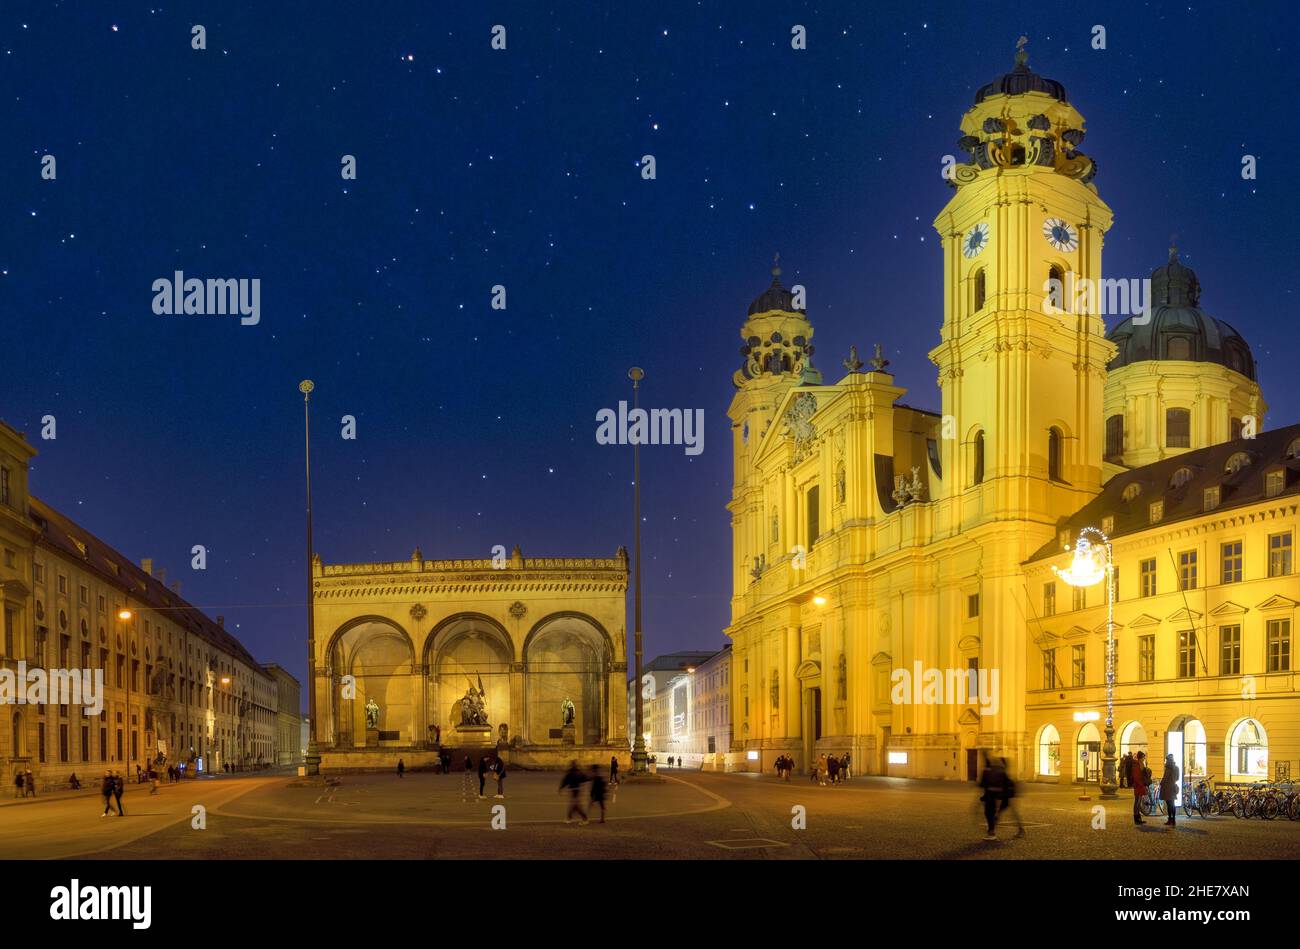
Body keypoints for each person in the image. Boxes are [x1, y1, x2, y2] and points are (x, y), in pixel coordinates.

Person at [978, 754, 1007, 840]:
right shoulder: (1002, 770)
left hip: (991, 794)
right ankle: (992, 829)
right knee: (994, 812)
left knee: (989, 812)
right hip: (1000, 795)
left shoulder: (988, 770)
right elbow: (1006, 782)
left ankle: (991, 832)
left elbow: (982, 784)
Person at [999, 757, 1026, 839]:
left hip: (1009, 796)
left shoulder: (1003, 773)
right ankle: (991, 830)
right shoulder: (1004, 772)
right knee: (1000, 812)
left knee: (1012, 814)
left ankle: (991, 831)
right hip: (1008, 796)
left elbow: (1010, 784)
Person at [1160, 754, 1180, 829]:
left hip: (1167, 787)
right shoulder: (1177, 768)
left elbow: (1165, 778)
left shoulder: (1168, 768)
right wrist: (1173, 780)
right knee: (1172, 803)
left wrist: (1161, 783)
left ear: (1167, 760)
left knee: (1169, 804)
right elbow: (1177, 778)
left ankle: (1170, 819)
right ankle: (1173, 820)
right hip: (1173, 786)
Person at [1130, 751, 1149, 826]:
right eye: (1143, 757)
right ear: (1140, 758)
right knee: (1137, 802)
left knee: (1138, 802)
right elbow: (1136, 777)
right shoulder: (1137, 765)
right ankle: (1136, 818)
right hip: (1138, 786)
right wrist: (1141, 784)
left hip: (1140, 785)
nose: (1144, 758)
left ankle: (1138, 818)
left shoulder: (1141, 764)